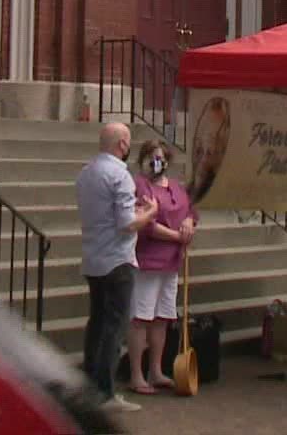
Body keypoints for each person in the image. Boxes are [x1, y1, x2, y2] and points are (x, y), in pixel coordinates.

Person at [75, 122, 157, 413]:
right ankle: (105, 392)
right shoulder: (120, 175)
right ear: (122, 144)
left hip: (94, 256)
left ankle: (90, 385)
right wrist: (149, 213)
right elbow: (126, 224)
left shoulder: (86, 173)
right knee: (115, 326)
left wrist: (133, 212)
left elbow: (107, 215)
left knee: (97, 323)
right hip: (117, 260)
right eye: (128, 143)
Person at [127, 138, 198, 396]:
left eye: (161, 157)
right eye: (152, 157)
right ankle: (136, 375)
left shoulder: (176, 187)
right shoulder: (139, 185)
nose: (158, 162)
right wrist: (176, 236)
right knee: (141, 318)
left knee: (162, 318)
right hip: (148, 260)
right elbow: (146, 223)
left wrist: (189, 223)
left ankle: (155, 370)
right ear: (144, 159)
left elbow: (190, 210)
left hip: (172, 263)